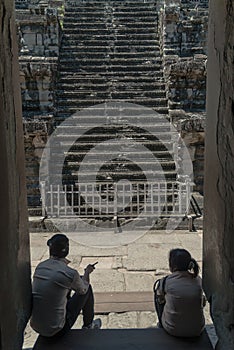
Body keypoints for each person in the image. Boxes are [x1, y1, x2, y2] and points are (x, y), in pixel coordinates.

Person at [30, 234, 101, 338]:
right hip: (57, 329)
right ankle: (88, 325)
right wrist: (87, 272)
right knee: (87, 288)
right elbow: (83, 290)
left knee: (66, 285)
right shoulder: (70, 273)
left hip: (37, 327)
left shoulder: (40, 267)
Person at [155, 248, 206, 337]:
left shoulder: (166, 281)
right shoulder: (198, 280)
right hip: (197, 329)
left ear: (172, 266)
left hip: (172, 329)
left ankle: (161, 322)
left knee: (159, 294)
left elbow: (160, 299)